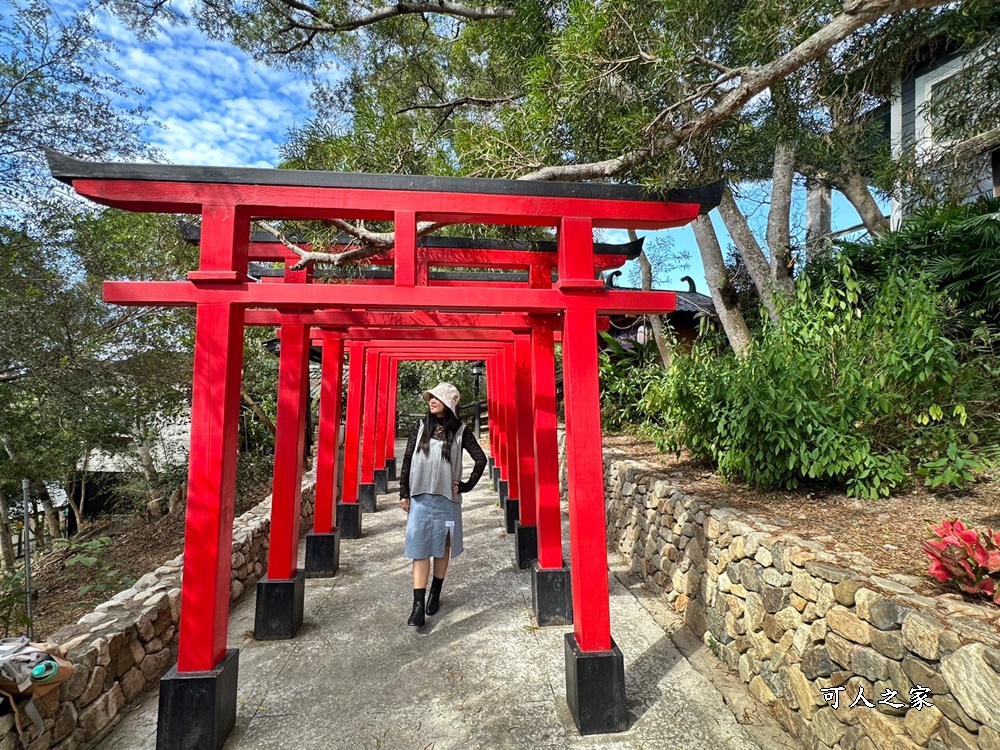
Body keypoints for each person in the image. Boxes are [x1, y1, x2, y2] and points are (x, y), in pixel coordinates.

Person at [399, 382, 487, 627]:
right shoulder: (419, 428)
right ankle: (417, 606)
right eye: (431, 397)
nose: (432, 400)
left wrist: (466, 485)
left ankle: (434, 593)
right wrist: (403, 493)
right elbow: (407, 459)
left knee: (443, 545)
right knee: (419, 548)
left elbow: (481, 459)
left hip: (448, 501)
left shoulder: (460, 431)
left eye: (438, 397)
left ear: (448, 404)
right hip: (420, 498)